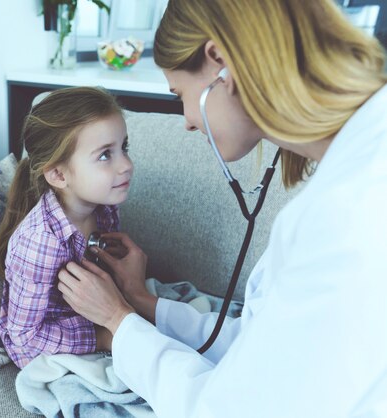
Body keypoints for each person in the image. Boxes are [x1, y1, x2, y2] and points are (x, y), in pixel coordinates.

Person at [56, 0, 387, 416]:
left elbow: (228, 408)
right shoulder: (358, 162)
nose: (188, 121)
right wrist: (144, 303)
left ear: (221, 64)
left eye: (181, 95)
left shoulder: (350, 214)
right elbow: (262, 349)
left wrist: (119, 321)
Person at [0, 86, 133, 368]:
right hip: (63, 342)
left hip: (101, 316)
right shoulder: (42, 242)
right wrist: (101, 338)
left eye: (123, 148)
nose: (126, 165)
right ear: (58, 174)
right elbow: (22, 341)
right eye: (105, 155)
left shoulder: (104, 206)